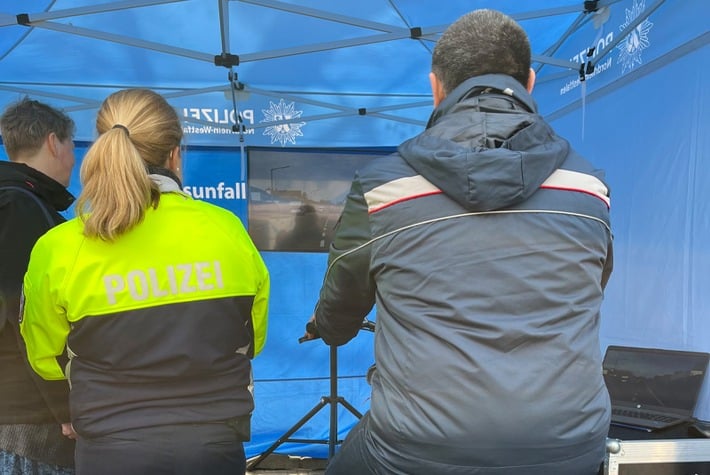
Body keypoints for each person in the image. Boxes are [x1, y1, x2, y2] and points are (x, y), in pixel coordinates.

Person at [305, 9, 613, 475]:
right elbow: (593, 286)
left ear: (436, 88)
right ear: (529, 83)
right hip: (570, 444)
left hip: (419, 447)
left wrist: (329, 328)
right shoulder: (589, 188)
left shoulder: (384, 189)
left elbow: (342, 305)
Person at [19, 88, 270, 475]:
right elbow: (253, 336)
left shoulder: (59, 246)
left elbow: (44, 357)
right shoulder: (226, 229)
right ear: (175, 154)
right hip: (212, 443)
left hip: (111, 445)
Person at [0, 98, 76, 474]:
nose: (73, 159)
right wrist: (65, 406)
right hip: (29, 421)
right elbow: (24, 316)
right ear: (53, 143)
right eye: (72, 146)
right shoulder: (21, 208)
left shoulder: (19, 201)